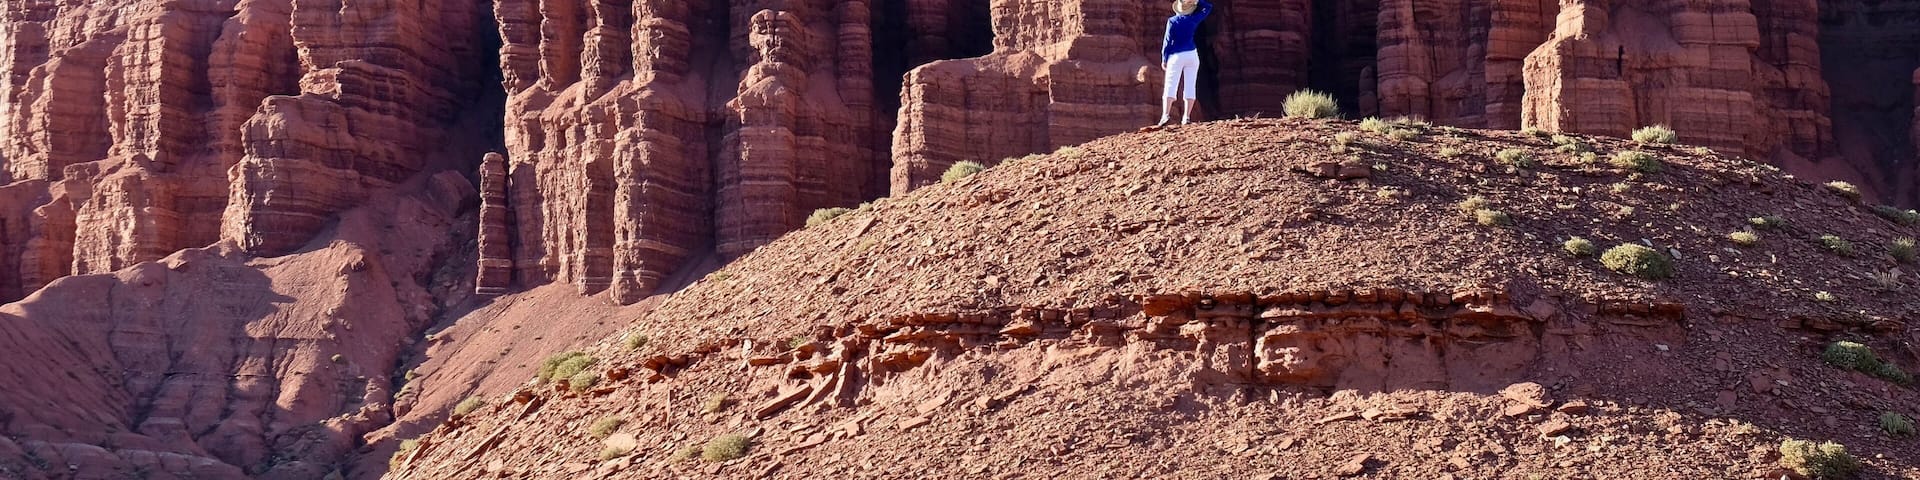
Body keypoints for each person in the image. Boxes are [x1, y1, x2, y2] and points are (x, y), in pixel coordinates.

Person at [1160, 0, 1213, 126]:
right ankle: (1186, 118)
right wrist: (1196, 1)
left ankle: (1165, 115)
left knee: (1170, 85)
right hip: (1192, 55)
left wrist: (1164, 58)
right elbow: (1208, 7)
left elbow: (1167, 42)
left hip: (1176, 56)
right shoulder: (1193, 19)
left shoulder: (1172, 21)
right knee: (1190, 85)